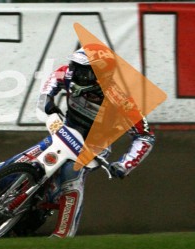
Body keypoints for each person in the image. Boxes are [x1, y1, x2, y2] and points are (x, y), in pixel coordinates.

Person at [37, 48, 155, 238]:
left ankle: (64, 233)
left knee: (71, 174)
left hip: (95, 145)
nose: (74, 72)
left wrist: (125, 165)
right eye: (75, 66)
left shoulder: (121, 99)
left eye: (83, 70)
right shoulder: (69, 74)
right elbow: (54, 77)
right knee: (33, 157)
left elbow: (145, 136)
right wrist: (47, 98)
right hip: (67, 131)